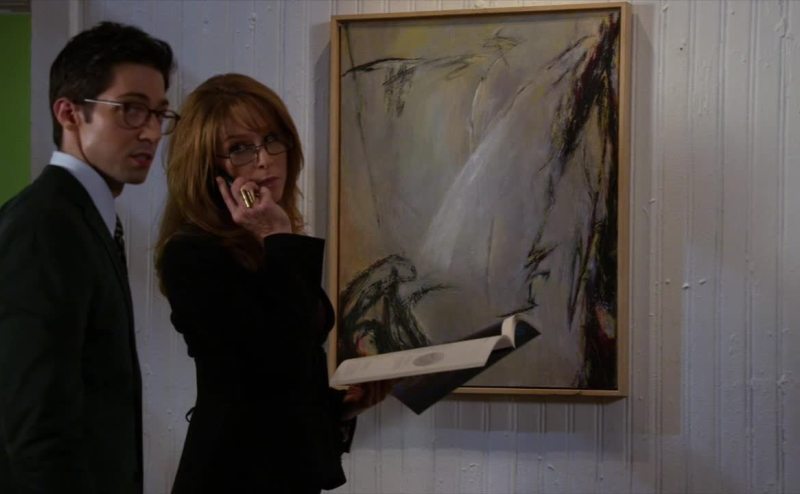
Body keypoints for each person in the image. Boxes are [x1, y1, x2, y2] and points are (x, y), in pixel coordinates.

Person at [155, 73, 389, 494]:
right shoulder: (190, 253)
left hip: (287, 475)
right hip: (231, 476)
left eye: (271, 139)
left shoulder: (270, 246)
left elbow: (285, 378)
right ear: (208, 167)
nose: (264, 160)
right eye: (240, 148)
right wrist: (278, 238)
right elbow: (271, 355)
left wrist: (342, 406)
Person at [0, 22, 175, 493]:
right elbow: (35, 425)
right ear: (69, 113)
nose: (151, 132)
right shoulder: (45, 224)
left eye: (159, 113)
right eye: (131, 110)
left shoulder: (83, 217)